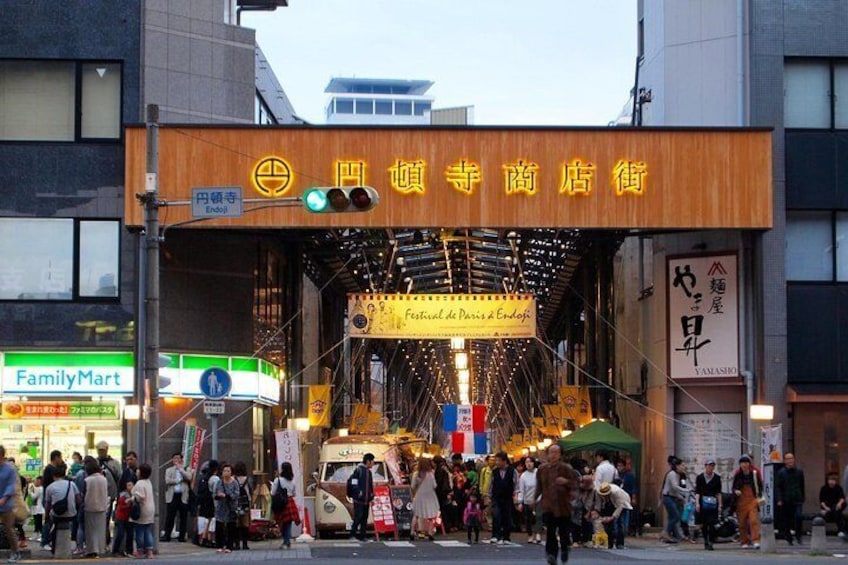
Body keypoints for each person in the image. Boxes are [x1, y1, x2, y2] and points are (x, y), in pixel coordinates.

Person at [536, 444, 576, 564]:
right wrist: (534, 499)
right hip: (548, 506)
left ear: (560, 455)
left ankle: (565, 549)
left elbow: (575, 483)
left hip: (563, 505)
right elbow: (539, 486)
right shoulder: (542, 469)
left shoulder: (566, 468)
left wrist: (566, 482)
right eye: (551, 452)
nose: (553, 455)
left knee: (564, 532)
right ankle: (551, 554)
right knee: (550, 532)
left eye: (556, 452)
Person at [43, 463, 81, 559]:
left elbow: (47, 504)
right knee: (73, 522)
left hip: (57, 515)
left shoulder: (50, 487)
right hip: (71, 514)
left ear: (53, 476)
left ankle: (51, 544)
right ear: (64, 475)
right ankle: (75, 544)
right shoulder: (71, 484)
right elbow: (78, 500)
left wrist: (46, 516)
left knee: (54, 524)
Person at [487, 451, 519, 545]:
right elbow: (490, 484)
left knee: (507, 517)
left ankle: (506, 537)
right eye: (496, 460)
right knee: (496, 515)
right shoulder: (495, 471)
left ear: (504, 461)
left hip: (508, 497)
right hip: (496, 497)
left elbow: (516, 484)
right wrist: (488, 496)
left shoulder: (513, 471)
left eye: (498, 460)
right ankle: (495, 536)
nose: (496, 463)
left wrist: (516, 495)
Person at [732, 454, 762, 549]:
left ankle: (755, 540)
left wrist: (759, 497)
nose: (744, 465)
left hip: (752, 499)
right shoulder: (737, 474)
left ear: (749, 463)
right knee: (742, 523)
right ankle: (744, 540)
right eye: (742, 463)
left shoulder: (755, 472)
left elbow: (760, 486)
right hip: (740, 501)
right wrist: (736, 491)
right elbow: (734, 487)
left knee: (753, 520)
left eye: (746, 462)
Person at [775, 452, 805, 545]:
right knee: (787, 519)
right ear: (785, 461)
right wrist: (779, 499)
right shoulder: (781, 472)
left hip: (797, 498)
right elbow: (778, 487)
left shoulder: (799, 472)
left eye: (791, 458)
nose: (790, 461)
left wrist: (803, 496)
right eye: (787, 459)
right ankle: (789, 538)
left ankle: (799, 536)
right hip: (786, 499)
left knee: (799, 516)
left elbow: (802, 485)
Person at [162, 452, 193, 543]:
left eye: (178, 458)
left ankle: (182, 536)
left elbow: (189, 477)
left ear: (181, 459)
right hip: (172, 495)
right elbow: (167, 481)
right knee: (170, 516)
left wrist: (181, 470)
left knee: (183, 517)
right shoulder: (169, 470)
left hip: (183, 496)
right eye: (174, 458)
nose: (176, 460)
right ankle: (167, 535)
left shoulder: (186, 469)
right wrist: (178, 480)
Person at [95, 441, 121, 546]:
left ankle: (105, 540)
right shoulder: (95, 462)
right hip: (97, 495)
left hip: (110, 495)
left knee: (106, 518)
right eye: (99, 450)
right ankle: (102, 540)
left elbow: (119, 477)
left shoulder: (114, 463)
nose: (101, 452)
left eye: (103, 450)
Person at [0, 445, 23, 563]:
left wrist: (4, 498)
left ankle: (16, 552)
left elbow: (11, 485)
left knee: (9, 529)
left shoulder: (10, 468)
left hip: (6, 504)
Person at [83, 456, 109, 557]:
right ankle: (100, 549)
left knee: (90, 530)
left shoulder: (87, 480)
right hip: (102, 507)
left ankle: (91, 550)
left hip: (89, 506)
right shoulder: (104, 479)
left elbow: (84, 492)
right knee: (100, 529)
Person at [271, 462, 300, 549]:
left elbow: (273, 492)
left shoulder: (278, 480)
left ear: (282, 469)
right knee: (288, 523)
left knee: (282, 522)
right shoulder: (292, 481)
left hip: (280, 502)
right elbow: (294, 493)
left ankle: (286, 542)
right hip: (290, 502)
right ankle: (286, 541)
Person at [695, 459, 722, 550]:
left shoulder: (717, 478)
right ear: (705, 466)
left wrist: (720, 505)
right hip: (703, 503)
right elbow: (697, 491)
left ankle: (711, 541)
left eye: (712, 466)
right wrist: (697, 503)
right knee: (704, 523)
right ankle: (706, 540)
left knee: (712, 523)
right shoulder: (700, 477)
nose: (710, 467)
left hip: (713, 503)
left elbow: (719, 493)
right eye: (709, 465)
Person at [596, 481, 632, 549]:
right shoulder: (599, 492)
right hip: (609, 503)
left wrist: (612, 517)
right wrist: (599, 513)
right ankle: (610, 543)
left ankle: (620, 543)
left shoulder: (616, 492)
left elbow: (620, 506)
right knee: (608, 524)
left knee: (620, 523)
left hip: (622, 503)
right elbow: (599, 503)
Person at [411, 457, 440, 541]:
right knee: (431, 516)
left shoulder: (416, 474)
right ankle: (430, 533)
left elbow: (413, 486)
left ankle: (412, 532)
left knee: (416, 515)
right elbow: (434, 486)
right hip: (430, 496)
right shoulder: (430, 474)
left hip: (419, 496)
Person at [660, 457, 688, 543]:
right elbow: (674, 487)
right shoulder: (672, 474)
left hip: (672, 497)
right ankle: (666, 533)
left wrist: (681, 497)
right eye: (682, 465)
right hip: (667, 497)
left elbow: (674, 491)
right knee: (675, 515)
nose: (683, 467)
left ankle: (669, 534)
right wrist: (687, 491)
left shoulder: (679, 475)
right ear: (677, 466)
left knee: (673, 516)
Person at [348, 453, 375, 542]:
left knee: (364, 518)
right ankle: (352, 535)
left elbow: (370, 485)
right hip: (359, 500)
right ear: (368, 461)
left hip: (366, 499)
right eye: (372, 461)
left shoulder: (368, 472)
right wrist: (358, 492)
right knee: (358, 517)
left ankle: (362, 536)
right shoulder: (359, 470)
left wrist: (371, 496)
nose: (373, 463)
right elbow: (353, 482)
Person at [131, 463, 155, 559]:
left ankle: (140, 550)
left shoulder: (139, 483)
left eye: (138, 470)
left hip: (142, 509)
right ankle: (149, 551)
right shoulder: (148, 482)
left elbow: (141, 497)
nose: (137, 471)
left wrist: (133, 495)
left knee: (139, 531)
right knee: (148, 530)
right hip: (150, 509)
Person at [40, 449, 63, 551]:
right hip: (49, 498)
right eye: (60, 457)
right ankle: (44, 541)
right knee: (48, 520)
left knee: (51, 520)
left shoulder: (51, 468)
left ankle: (47, 540)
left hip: (51, 498)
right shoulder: (50, 469)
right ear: (56, 458)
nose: (61, 460)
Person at [213, 463, 239, 553]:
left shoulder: (235, 482)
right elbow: (215, 494)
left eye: (228, 471)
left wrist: (226, 495)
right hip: (220, 507)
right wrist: (218, 496)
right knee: (219, 527)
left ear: (231, 472)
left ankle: (229, 546)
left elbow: (236, 495)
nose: (226, 472)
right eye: (224, 471)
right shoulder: (219, 482)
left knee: (230, 527)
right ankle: (219, 545)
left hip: (231, 507)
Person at [516, 456, 542, 544]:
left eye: (530, 462)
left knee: (539, 516)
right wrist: (520, 502)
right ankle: (530, 535)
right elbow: (521, 490)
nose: (529, 464)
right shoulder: (523, 476)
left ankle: (538, 533)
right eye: (527, 462)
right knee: (528, 519)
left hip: (538, 499)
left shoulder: (538, 472)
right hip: (527, 499)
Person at [196, 460, 220, 547]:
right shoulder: (214, 478)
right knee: (212, 520)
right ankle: (210, 539)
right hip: (212, 502)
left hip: (203, 502)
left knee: (207, 520)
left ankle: (203, 538)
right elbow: (215, 491)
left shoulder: (203, 477)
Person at [615, 458, 637, 537]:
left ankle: (625, 530)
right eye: (618, 466)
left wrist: (634, 498)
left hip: (627, 497)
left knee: (626, 513)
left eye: (620, 466)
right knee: (617, 514)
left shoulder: (629, 475)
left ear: (624, 466)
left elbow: (633, 487)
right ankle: (617, 531)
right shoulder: (616, 475)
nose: (619, 467)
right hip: (617, 498)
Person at [112, 479, 134, 557]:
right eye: (128, 485)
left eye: (131, 485)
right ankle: (115, 550)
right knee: (120, 534)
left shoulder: (133, 494)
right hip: (121, 517)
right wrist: (128, 504)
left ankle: (129, 550)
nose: (130, 487)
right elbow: (120, 506)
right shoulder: (123, 495)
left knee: (130, 534)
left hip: (129, 517)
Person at [819, 472, 846, 537]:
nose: (832, 482)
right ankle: (841, 530)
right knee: (840, 516)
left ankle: (841, 531)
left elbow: (842, 498)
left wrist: (839, 503)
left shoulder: (838, 488)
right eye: (830, 480)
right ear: (828, 481)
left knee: (837, 509)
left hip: (836, 507)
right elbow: (822, 501)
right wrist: (826, 508)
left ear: (835, 482)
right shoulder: (824, 488)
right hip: (827, 507)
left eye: (833, 481)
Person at [232, 461, 251, 550]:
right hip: (245, 504)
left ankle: (236, 544)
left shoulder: (233, 479)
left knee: (236, 524)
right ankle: (245, 544)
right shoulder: (247, 479)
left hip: (235, 503)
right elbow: (248, 492)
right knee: (245, 524)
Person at [28, 476, 44, 543]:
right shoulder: (39, 488)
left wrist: (30, 491)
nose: (35, 482)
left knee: (38, 523)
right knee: (37, 522)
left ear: (40, 481)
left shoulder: (40, 488)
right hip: (36, 507)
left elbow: (34, 497)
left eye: (37, 480)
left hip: (39, 508)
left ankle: (41, 536)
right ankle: (36, 536)